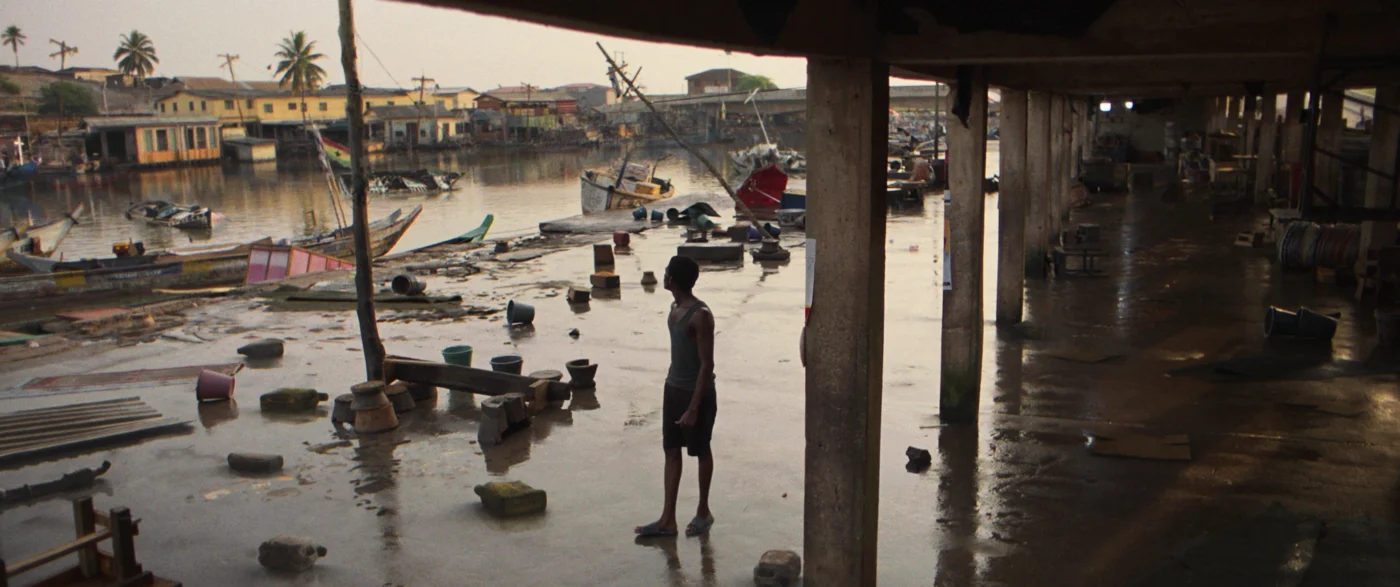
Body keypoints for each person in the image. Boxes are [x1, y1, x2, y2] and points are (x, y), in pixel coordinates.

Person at [635, 255, 717, 538]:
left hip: (698, 394)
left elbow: (707, 365)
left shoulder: (700, 315)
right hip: (673, 390)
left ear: (673, 279)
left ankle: (703, 511)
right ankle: (667, 518)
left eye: (667, 272)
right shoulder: (674, 308)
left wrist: (694, 407)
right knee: (671, 451)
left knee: (700, 450)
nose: (664, 275)